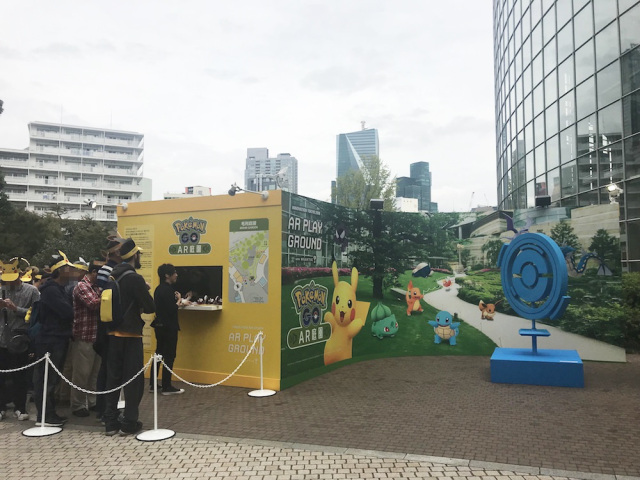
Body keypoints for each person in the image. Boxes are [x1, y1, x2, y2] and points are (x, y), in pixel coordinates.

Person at [103, 238, 155, 436]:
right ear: (135, 255)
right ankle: (129, 422)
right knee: (133, 380)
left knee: (113, 378)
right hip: (131, 334)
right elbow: (150, 307)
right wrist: (145, 290)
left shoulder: (112, 276)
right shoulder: (135, 278)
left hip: (112, 333)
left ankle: (110, 422)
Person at [32, 251, 75, 427]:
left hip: (58, 338)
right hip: (50, 339)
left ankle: (49, 413)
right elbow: (67, 312)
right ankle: (44, 416)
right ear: (60, 270)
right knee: (47, 379)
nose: (71, 271)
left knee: (52, 379)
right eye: (67, 268)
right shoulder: (51, 291)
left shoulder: (58, 289)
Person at [0, 259, 40, 421]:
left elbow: (36, 313)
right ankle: (1, 407)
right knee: (2, 376)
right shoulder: (1, 289)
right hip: (2, 338)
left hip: (20, 339)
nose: (8, 283)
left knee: (20, 376)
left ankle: (20, 407)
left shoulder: (31, 291)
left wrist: (16, 309)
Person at [94, 236, 124, 423]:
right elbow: (106, 298)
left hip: (107, 323)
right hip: (109, 324)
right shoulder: (108, 271)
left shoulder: (108, 269)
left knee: (107, 368)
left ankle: (104, 408)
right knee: (108, 369)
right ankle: (105, 410)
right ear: (117, 252)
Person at [69, 260, 103, 417]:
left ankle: (92, 401)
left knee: (94, 373)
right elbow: (93, 303)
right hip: (84, 335)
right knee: (81, 373)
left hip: (96, 336)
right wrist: (108, 296)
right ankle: (78, 405)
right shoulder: (81, 286)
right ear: (94, 272)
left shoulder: (96, 287)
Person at [150, 264, 185, 395]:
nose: (176, 275)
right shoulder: (168, 290)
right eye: (174, 272)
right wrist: (179, 300)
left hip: (159, 326)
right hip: (169, 327)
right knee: (169, 356)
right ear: (167, 275)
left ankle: (153, 384)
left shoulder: (158, 289)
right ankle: (166, 386)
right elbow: (171, 309)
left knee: (158, 354)